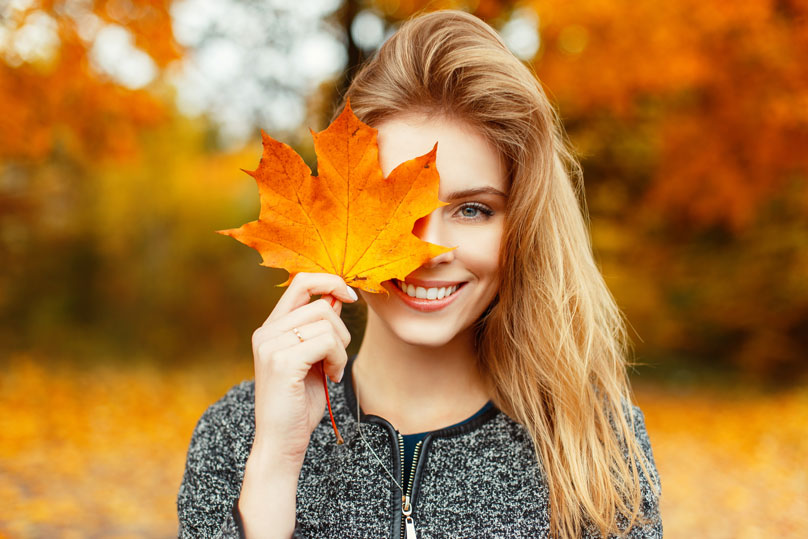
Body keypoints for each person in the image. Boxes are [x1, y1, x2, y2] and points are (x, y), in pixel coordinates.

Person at [177, 9, 662, 539]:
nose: (429, 250)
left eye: (473, 209)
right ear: (344, 214)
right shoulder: (239, 433)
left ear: (522, 227)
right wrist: (275, 466)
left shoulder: (593, 445)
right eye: (398, 211)